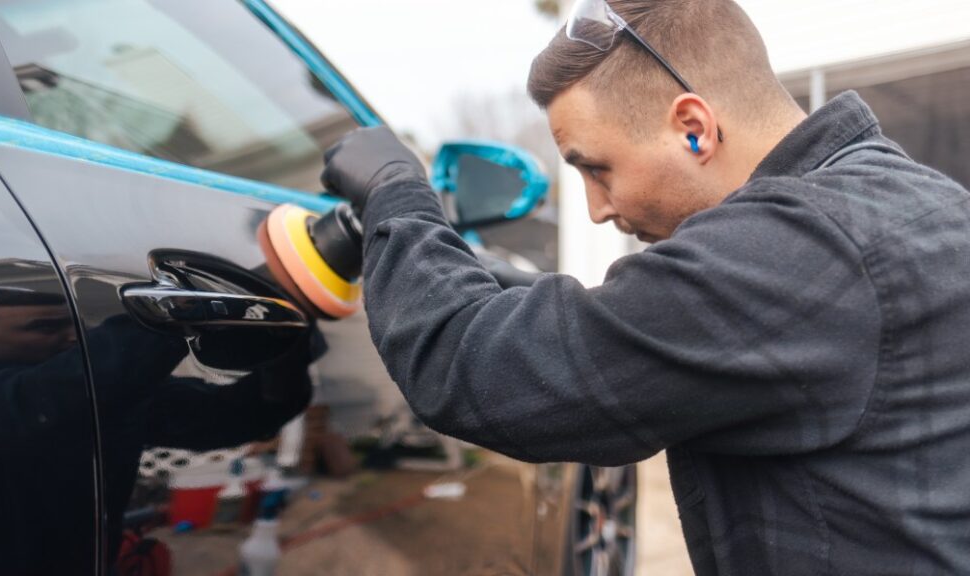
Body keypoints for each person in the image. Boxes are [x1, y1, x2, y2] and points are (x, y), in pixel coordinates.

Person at [318, 0, 970, 574]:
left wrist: (395, 196)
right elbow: (623, 321)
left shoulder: (789, 252)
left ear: (693, 126)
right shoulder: (920, 202)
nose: (599, 209)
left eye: (597, 169)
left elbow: (473, 367)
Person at [0, 286, 319, 575]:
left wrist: (284, 347)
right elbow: (35, 406)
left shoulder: (95, 389)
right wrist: (176, 314)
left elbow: (236, 416)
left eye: (73, 324)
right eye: (44, 327)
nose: (73, 337)